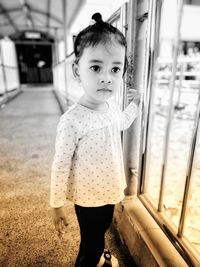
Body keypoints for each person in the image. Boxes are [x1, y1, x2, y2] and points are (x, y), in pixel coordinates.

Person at [50, 12, 140, 267]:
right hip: (87, 196)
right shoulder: (72, 120)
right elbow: (60, 164)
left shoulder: (109, 106)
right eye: (95, 67)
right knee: (90, 243)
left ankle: (98, 258)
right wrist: (56, 204)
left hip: (108, 189)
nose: (106, 77)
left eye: (115, 69)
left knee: (98, 232)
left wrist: (134, 104)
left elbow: (120, 124)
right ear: (77, 70)